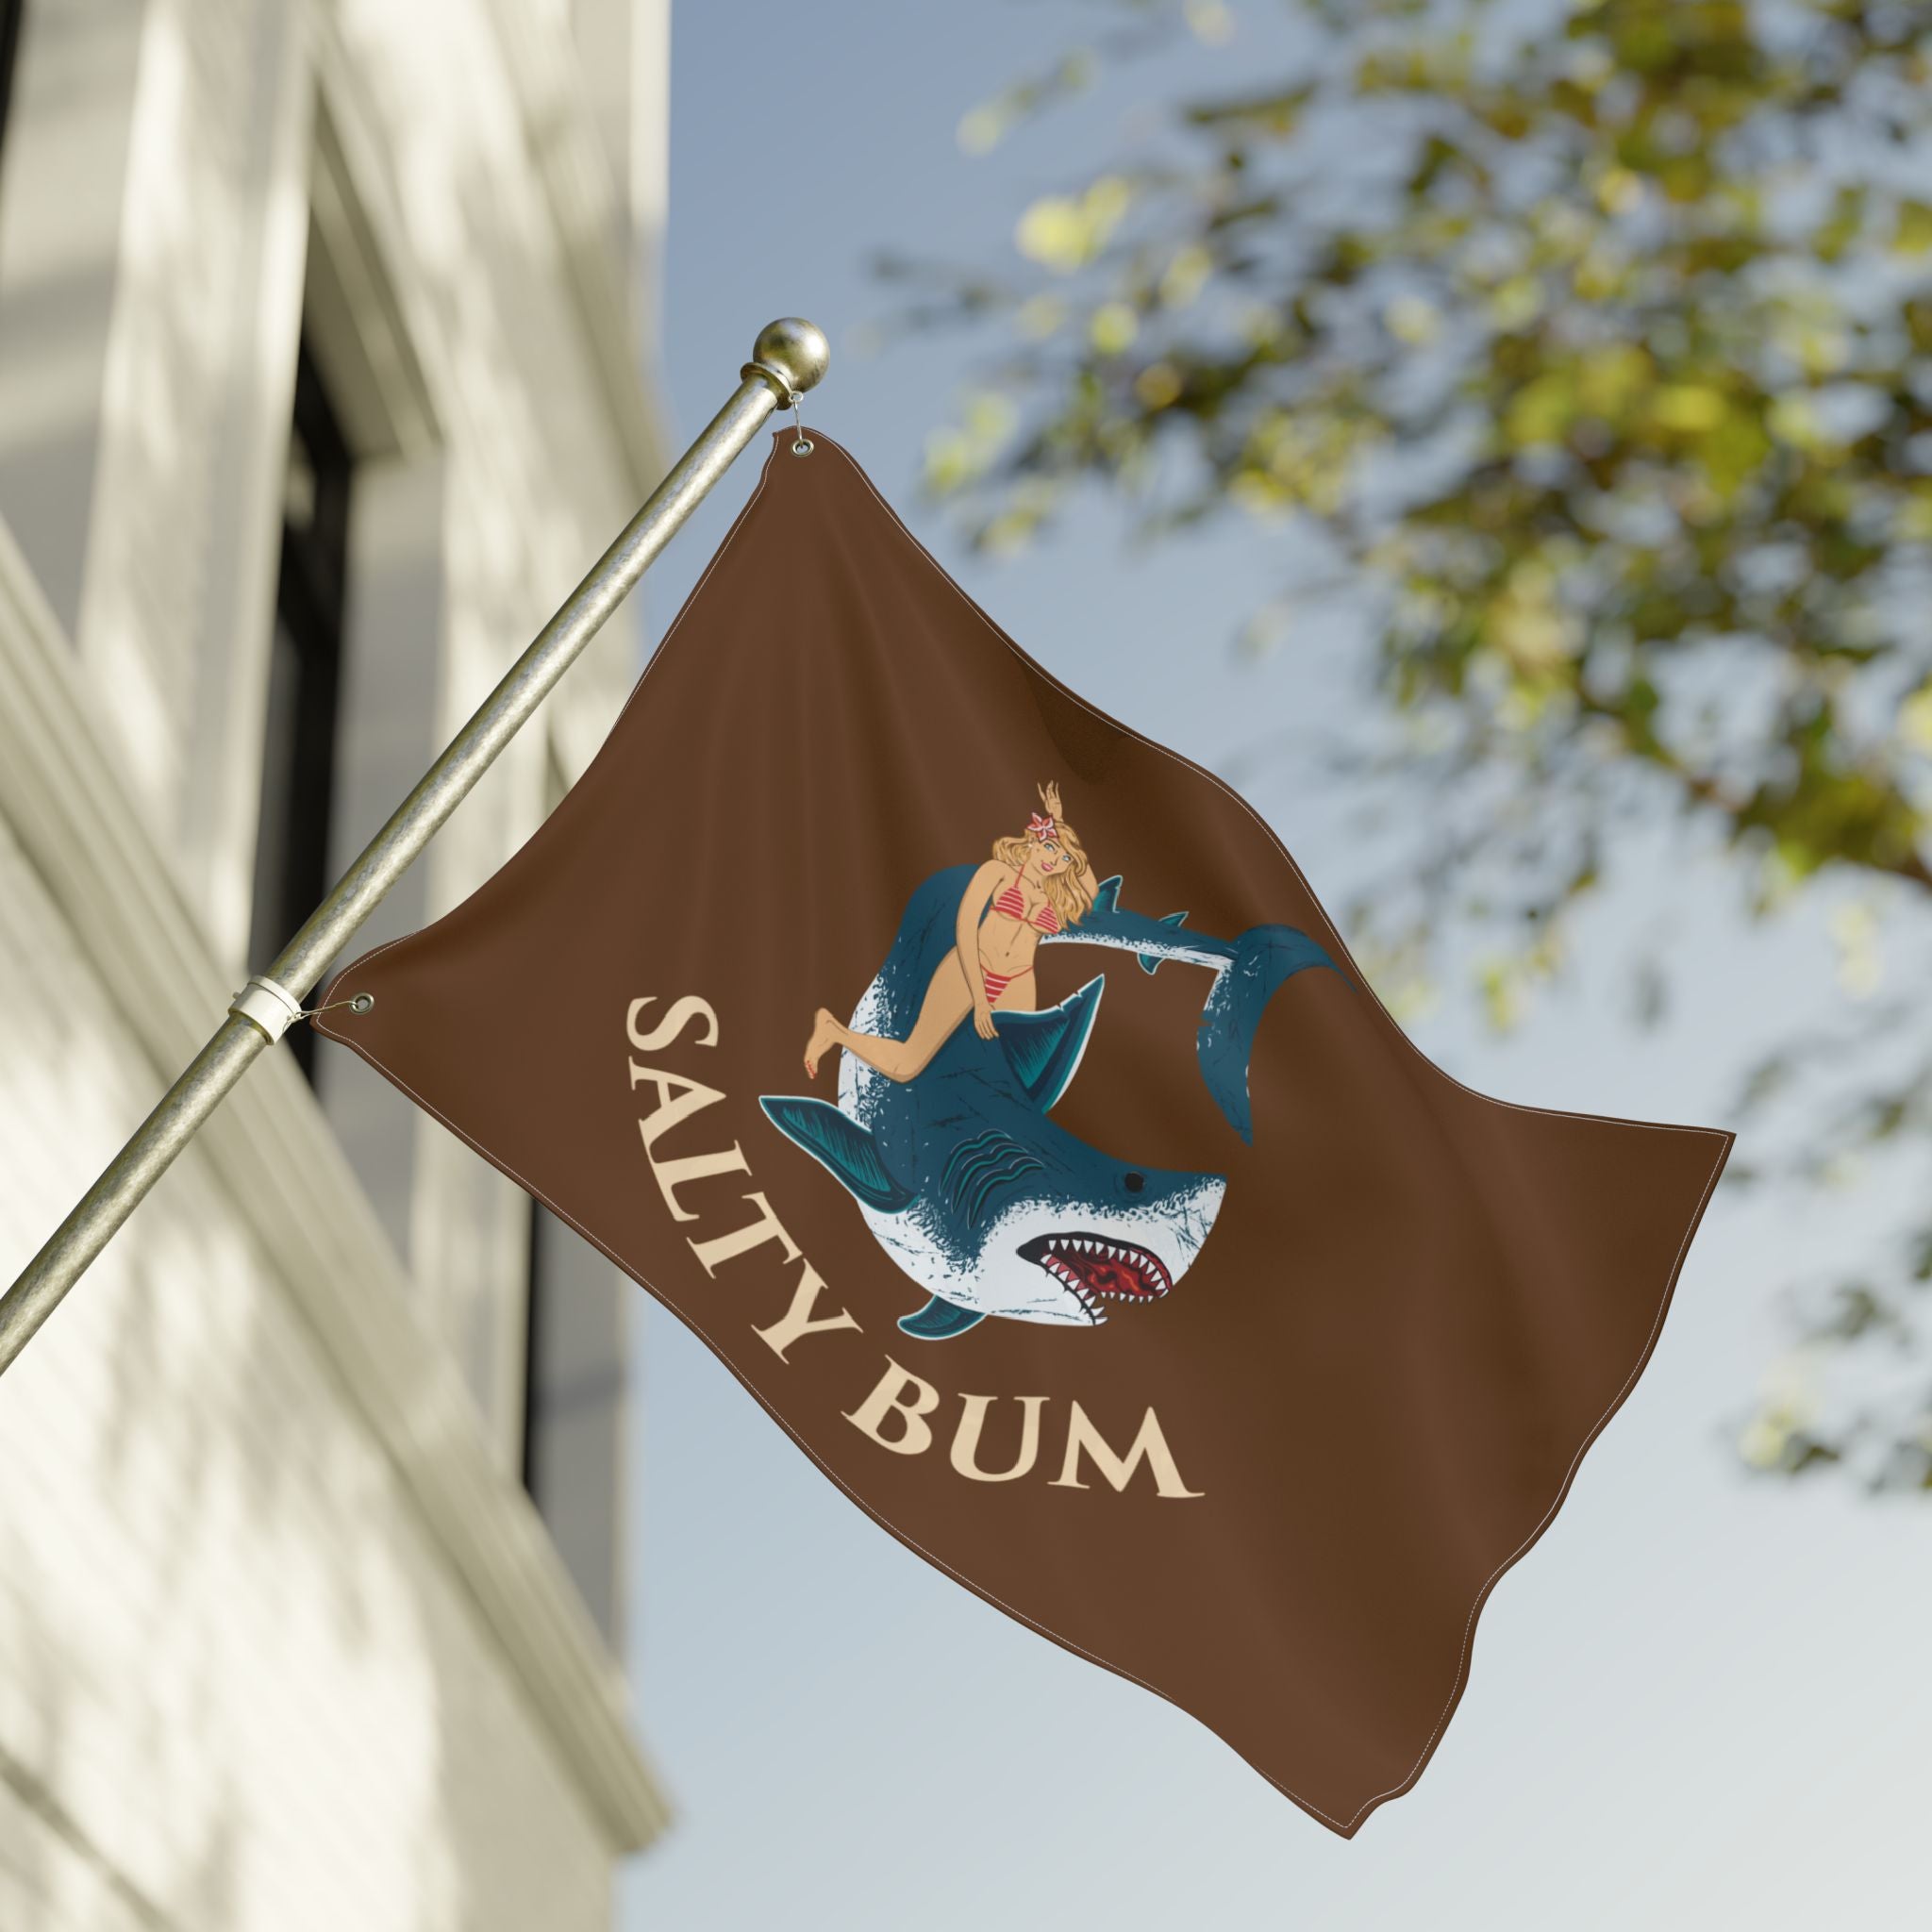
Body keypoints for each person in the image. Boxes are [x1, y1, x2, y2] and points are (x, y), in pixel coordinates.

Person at [804, 781, 1098, 1082]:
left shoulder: (1055, 898)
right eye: (1050, 846)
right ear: (1034, 841)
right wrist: (980, 999)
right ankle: (834, 1031)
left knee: (1010, 1078)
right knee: (908, 1065)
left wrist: (1060, 823)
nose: (1053, 860)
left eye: (1064, 858)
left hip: (1018, 982)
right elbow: (966, 926)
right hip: (970, 966)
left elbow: (1092, 890)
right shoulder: (997, 872)